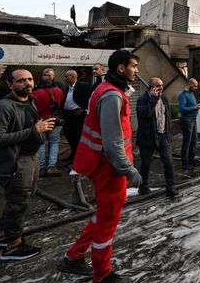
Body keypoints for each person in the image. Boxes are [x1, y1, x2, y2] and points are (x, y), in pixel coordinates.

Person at [58, 50, 142, 282]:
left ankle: (73, 257)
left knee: (102, 215)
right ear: (121, 69)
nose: (136, 70)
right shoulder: (112, 96)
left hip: (102, 165)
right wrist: (130, 170)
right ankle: (102, 274)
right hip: (109, 168)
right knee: (107, 223)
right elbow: (113, 142)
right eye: (134, 66)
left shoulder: (106, 90)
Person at [0, 69, 54, 260]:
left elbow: (27, 128)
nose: (27, 83)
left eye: (29, 79)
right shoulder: (2, 107)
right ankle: (13, 246)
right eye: (21, 81)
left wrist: (39, 127)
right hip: (14, 162)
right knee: (18, 203)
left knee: (19, 199)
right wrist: (33, 130)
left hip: (29, 158)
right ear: (10, 84)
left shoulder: (30, 101)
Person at [136, 77, 178, 197]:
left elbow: (167, 116)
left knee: (168, 162)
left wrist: (168, 133)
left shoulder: (164, 98)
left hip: (163, 135)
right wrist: (153, 100)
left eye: (162, 85)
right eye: (159, 86)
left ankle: (171, 187)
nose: (162, 88)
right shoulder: (142, 99)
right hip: (148, 137)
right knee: (146, 163)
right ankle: (143, 186)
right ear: (151, 88)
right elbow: (146, 114)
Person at [32, 76, 65, 177]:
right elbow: (62, 103)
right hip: (55, 121)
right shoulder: (59, 91)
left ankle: (41, 168)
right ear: (52, 82)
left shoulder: (35, 93)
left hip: (40, 122)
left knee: (41, 144)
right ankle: (51, 166)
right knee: (54, 142)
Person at [62, 70, 92, 164]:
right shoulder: (67, 88)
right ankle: (73, 153)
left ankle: (78, 157)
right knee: (68, 134)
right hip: (68, 115)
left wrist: (84, 109)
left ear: (73, 77)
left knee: (77, 136)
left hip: (77, 115)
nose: (65, 78)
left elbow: (90, 98)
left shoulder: (82, 86)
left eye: (67, 76)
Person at [178, 78, 200, 168]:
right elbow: (181, 109)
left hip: (193, 120)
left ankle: (191, 160)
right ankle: (185, 163)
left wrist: (198, 105)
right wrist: (194, 108)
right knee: (187, 141)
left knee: (194, 140)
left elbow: (192, 105)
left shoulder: (191, 93)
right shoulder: (183, 95)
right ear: (189, 84)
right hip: (187, 120)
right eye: (195, 86)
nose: (196, 88)